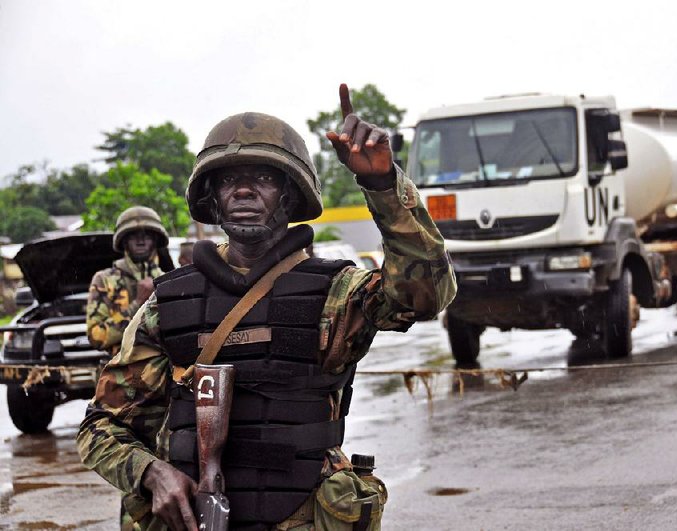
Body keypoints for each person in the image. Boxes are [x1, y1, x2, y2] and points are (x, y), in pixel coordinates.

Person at [77, 84, 456, 531]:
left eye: (264, 178)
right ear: (211, 198)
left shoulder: (337, 293)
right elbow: (101, 427)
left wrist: (382, 184)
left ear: (291, 196)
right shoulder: (167, 304)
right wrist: (150, 473)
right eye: (227, 180)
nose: (243, 191)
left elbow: (426, 294)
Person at [86, 206, 169, 356]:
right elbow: (96, 337)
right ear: (124, 242)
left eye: (147, 235)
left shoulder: (167, 280)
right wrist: (137, 304)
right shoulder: (105, 281)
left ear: (156, 240)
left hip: (162, 369)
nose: (141, 241)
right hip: (119, 373)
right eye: (133, 236)